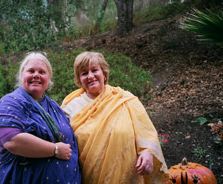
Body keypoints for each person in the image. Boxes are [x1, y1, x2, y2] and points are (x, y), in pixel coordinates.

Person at [61, 51, 169, 184]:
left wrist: (147, 152)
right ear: (79, 79)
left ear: (104, 73)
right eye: (84, 73)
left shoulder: (125, 99)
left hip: (129, 177)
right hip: (91, 177)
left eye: (94, 70)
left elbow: (146, 131)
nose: (90, 76)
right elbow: (61, 139)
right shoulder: (70, 107)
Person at [0, 52, 81, 184]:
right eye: (31, 71)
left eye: (42, 72)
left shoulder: (53, 106)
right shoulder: (10, 102)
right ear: (21, 75)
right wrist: (55, 150)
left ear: (49, 78)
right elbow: (12, 141)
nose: (36, 75)